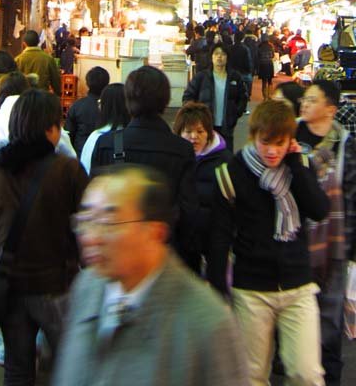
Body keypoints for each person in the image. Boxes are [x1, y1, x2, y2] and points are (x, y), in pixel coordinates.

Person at [51, 166, 248, 386]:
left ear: (155, 232)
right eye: (86, 220)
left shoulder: (206, 322)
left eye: (108, 222)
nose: (91, 238)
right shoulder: (87, 287)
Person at [0, 89, 88, 386]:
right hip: (58, 285)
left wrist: (1, 249)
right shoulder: (68, 169)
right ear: (50, 129)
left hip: (11, 286)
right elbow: (86, 225)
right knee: (67, 366)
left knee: (17, 369)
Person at [209, 99, 330, 386]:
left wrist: (297, 166)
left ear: (290, 140)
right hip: (251, 289)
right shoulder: (231, 173)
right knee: (251, 376)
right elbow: (219, 236)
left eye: (280, 143)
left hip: (298, 285)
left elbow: (319, 210)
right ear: (253, 136)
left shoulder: (299, 166)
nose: (272, 151)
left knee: (307, 375)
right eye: (265, 142)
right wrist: (217, 289)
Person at [297, 79, 356, 386]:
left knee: (329, 318)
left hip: (334, 245)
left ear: (330, 109)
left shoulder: (345, 143)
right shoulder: (289, 135)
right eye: (304, 99)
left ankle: (329, 377)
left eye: (312, 100)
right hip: (294, 243)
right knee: (294, 316)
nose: (304, 104)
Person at [91, 66, 201, 262]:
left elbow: (96, 206)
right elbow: (188, 212)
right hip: (164, 255)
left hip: (117, 255)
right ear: (165, 101)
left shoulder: (106, 144)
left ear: (128, 100)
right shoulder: (182, 149)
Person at [173, 102, 232, 278]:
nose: (194, 137)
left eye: (200, 131)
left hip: (214, 239)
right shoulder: (174, 159)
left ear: (209, 133)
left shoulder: (225, 161)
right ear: (179, 133)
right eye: (188, 131)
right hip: (183, 239)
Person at [182, 44, 247, 151]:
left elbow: (242, 98)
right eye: (216, 54)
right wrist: (195, 116)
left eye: (223, 54)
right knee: (206, 154)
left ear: (227, 57)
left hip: (227, 126)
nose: (219, 57)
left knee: (226, 155)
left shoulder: (235, 77)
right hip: (204, 125)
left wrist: (235, 113)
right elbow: (188, 96)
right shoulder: (201, 77)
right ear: (211, 57)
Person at [80, 83, 130, 174]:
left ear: (105, 106)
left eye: (100, 102)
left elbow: (85, 169)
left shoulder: (97, 137)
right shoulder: (135, 135)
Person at [65, 65, 109, 155]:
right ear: (107, 83)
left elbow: (69, 134)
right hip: (105, 153)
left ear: (87, 83)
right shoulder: (111, 106)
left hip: (81, 152)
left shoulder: (77, 106)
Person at [16, 30, 61, 95]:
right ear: (39, 41)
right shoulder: (48, 59)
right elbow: (56, 80)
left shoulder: (18, 59)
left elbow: (15, 81)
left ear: (24, 44)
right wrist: (57, 93)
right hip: (43, 96)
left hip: (24, 97)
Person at [257, 34, 275, 100]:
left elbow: (257, 56)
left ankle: (265, 97)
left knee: (264, 82)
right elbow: (273, 55)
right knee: (270, 81)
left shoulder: (259, 47)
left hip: (262, 65)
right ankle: (270, 95)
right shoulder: (271, 46)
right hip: (269, 64)